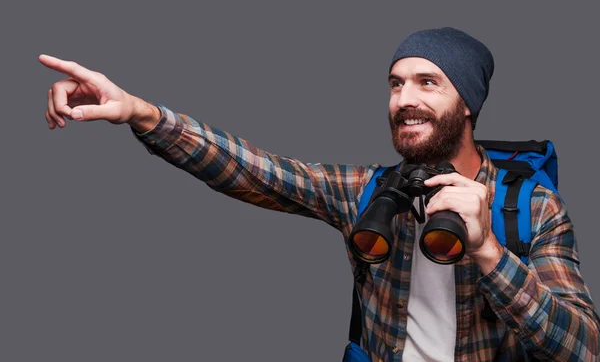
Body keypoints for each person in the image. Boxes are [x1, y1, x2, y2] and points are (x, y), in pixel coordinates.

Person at [41, 27, 600, 361]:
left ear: (468, 104)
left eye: (428, 82)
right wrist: (141, 112)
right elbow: (257, 171)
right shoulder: (369, 191)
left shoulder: (528, 208)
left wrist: (489, 254)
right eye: (396, 82)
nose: (404, 98)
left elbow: (584, 349)